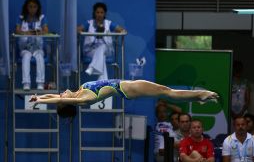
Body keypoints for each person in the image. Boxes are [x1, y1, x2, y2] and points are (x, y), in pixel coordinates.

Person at [29, 79, 219, 118]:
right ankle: (201, 95)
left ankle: (199, 98)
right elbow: (57, 100)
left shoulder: (78, 92)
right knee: (167, 92)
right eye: (62, 97)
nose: (61, 93)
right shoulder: (82, 99)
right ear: (65, 102)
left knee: (166, 90)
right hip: (128, 89)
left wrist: (38, 96)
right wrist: (40, 102)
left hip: (127, 86)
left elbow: (55, 96)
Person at [77, 2, 126, 80]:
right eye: (97, 12)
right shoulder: (89, 23)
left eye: (101, 12)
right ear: (94, 13)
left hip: (107, 50)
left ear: (104, 13)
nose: (99, 14)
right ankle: (103, 81)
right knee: (101, 56)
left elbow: (121, 30)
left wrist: (122, 31)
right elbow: (78, 29)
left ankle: (93, 67)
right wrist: (79, 30)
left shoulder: (108, 24)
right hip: (91, 51)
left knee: (102, 47)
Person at [15, 0, 49, 90]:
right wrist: (29, 32)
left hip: (38, 47)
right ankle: (26, 83)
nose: (32, 9)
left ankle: (40, 83)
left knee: (40, 58)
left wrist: (32, 32)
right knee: (26, 58)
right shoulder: (21, 18)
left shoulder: (42, 18)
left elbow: (46, 31)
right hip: (25, 48)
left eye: (35, 7)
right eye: (30, 6)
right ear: (26, 7)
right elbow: (17, 31)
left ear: (38, 8)